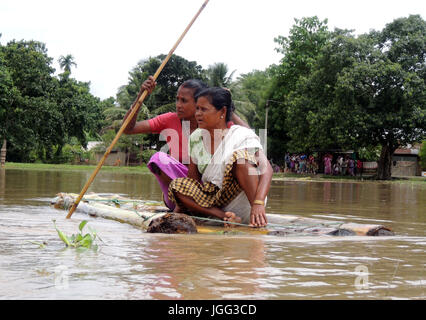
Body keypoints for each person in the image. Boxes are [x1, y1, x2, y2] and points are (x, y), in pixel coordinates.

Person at [123, 76, 248, 210]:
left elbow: (248, 137)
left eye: (184, 101)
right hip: (178, 193)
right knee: (159, 159)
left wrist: (228, 107)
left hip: (210, 192)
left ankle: (204, 209)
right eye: (177, 99)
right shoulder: (169, 119)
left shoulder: (214, 123)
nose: (178, 105)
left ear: (199, 103)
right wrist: (140, 98)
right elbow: (127, 129)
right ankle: (184, 206)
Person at [168, 87, 273, 227]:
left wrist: (258, 203)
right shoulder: (195, 138)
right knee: (177, 185)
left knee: (241, 159)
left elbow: (267, 169)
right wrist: (181, 205)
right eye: (197, 108)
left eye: (203, 109)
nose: (197, 114)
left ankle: (256, 218)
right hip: (214, 202)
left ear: (222, 112)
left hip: (245, 200)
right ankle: (225, 217)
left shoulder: (241, 134)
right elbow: (192, 180)